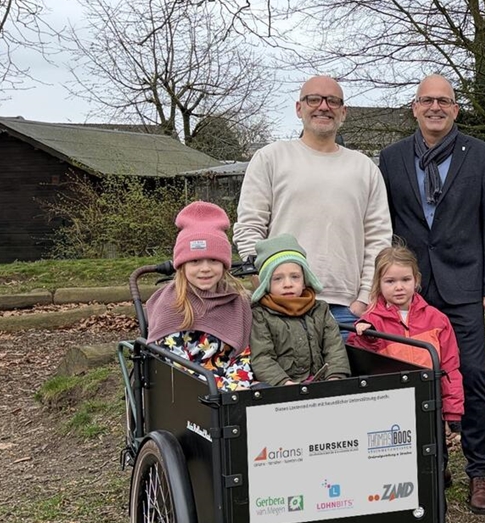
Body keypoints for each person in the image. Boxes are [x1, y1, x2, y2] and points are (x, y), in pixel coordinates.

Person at [379, 74, 485, 514]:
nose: (435, 107)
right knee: (411, 379)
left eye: (444, 101)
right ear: (414, 108)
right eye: (426, 100)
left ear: (455, 109)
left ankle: (479, 472)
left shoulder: (482, 156)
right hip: (409, 290)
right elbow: (385, 224)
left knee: (469, 376)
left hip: (464, 284)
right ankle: (429, 464)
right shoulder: (391, 158)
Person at [234, 75, 392, 337]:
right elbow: (250, 226)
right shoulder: (271, 158)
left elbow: (378, 238)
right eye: (314, 99)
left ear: (343, 112)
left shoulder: (364, 168)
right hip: (281, 306)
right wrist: (263, 282)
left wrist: (364, 298)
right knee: (284, 379)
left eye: (332, 101)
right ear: (299, 108)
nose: (323, 106)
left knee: (343, 378)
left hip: (346, 308)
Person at [347, 245, 464, 427]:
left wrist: (452, 411)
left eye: (405, 279)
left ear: (416, 280)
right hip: (388, 408)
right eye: (390, 281)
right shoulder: (370, 322)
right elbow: (361, 370)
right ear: (378, 283)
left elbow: (450, 367)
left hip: (428, 404)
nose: (399, 287)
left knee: (433, 454)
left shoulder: (437, 319)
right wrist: (365, 336)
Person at [145, 201, 253, 390]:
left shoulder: (238, 301)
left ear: (224, 264)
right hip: (188, 392)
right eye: (195, 261)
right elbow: (175, 365)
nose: (205, 269)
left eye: (213, 260)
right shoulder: (170, 304)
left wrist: (233, 390)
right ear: (182, 265)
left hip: (232, 387)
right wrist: (213, 392)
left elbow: (243, 355)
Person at [249, 234, 351, 386]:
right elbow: (262, 357)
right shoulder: (261, 315)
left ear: (305, 281)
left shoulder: (320, 309)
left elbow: (334, 347)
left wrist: (334, 378)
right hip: (280, 388)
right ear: (266, 284)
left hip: (320, 382)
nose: (288, 284)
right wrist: (284, 383)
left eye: (295, 277)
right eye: (278, 278)